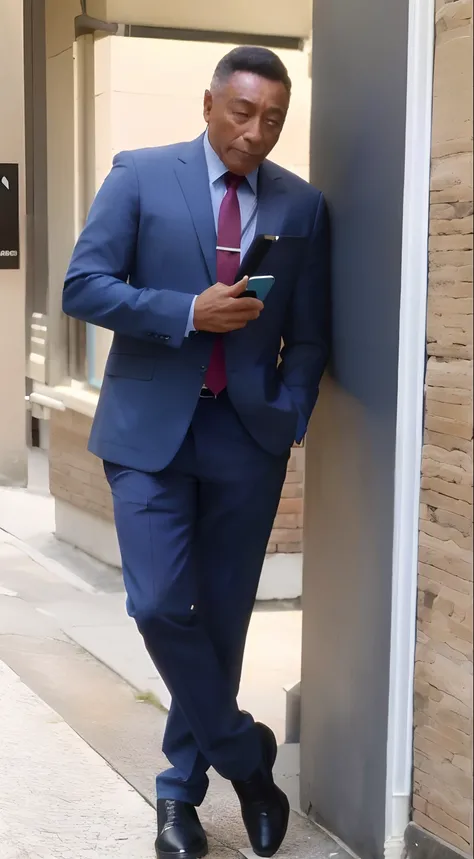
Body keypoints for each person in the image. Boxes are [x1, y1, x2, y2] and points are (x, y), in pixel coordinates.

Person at [63, 45, 330, 859]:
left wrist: (290, 414)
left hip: (247, 436)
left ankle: (178, 791)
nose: (257, 133)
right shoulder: (140, 175)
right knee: (156, 605)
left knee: (220, 619)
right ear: (209, 103)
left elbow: (312, 332)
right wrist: (185, 311)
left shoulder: (302, 204)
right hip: (149, 433)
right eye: (244, 113)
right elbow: (84, 285)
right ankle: (246, 756)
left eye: (275, 121)